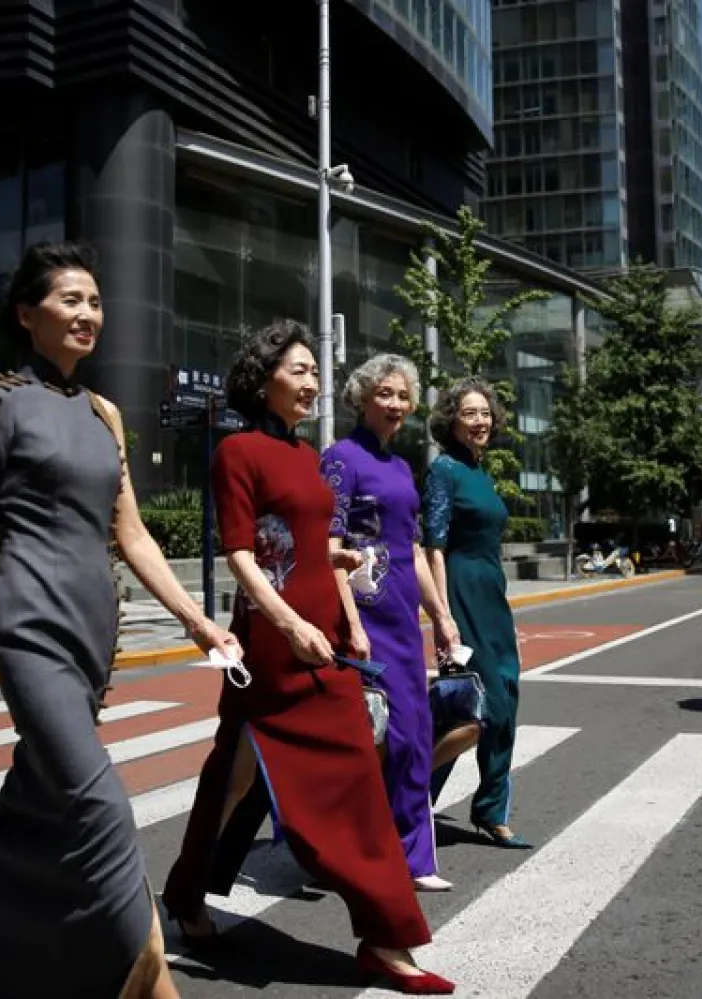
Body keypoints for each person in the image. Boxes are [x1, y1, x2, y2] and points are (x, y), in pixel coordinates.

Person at [0, 242, 239, 999]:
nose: (88, 313)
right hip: (29, 623)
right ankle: (147, 973)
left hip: (95, 626)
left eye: (94, 301)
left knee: (34, 810)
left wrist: (199, 620)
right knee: (97, 801)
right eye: (69, 300)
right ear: (27, 314)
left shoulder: (104, 414)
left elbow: (130, 533)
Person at [160, 320, 453, 995]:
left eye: (315, 372)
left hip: (321, 632)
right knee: (334, 781)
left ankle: (184, 894)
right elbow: (241, 551)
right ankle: (386, 937)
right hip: (276, 641)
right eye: (297, 369)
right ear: (262, 376)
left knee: (234, 772)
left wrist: (347, 605)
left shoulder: (304, 455)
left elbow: (311, 542)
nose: (312, 382)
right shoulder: (238, 451)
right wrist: (291, 624)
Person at [321, 354, 472, 893]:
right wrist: (350, 624)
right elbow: (328, 547)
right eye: (385, 393)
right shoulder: (340, 459)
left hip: (403, 618)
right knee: (370, 740)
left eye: (403, 396)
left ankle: (413, 857)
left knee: (414, 734)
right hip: (364, 618)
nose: (396, 404)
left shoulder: (403, 467)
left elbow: (408, 545)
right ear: (362, 398)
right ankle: (343, 846)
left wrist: (441, 616)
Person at [424, 377, 531, 849]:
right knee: (471, 707)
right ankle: (405, 798)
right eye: (470, 413)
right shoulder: (444, 470)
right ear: (452, 421)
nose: (480, 421)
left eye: (485, 413)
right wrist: (443, 615)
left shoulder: (481, 473)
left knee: (504, 695)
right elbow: (434, 549)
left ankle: (487, 810)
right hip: (462, 593)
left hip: (493, 595)